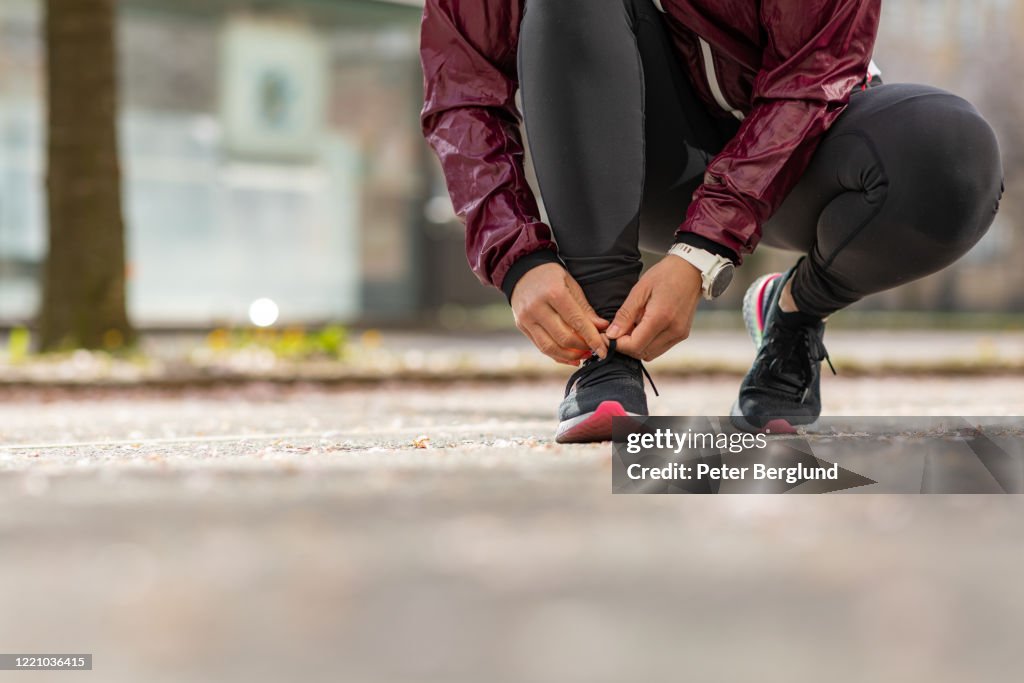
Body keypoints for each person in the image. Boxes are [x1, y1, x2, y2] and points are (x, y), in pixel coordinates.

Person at [419, 0, 1004, 442]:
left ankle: (795, 313)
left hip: (802, 147)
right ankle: (606, 353)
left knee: (951, 153)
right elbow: (462, 87)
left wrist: (702, 250)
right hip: (642, 166)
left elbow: (810, 78)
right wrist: (517, 257)